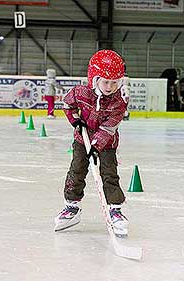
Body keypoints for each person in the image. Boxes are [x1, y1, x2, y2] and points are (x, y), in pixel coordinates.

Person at [54, 50, 129, 237]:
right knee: (77, 170)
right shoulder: (81, 92)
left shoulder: (118, 103)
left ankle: (115, 210)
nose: (110, 86)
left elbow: (109, 128)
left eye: (114, 82)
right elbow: (67, 105)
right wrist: (75, 121)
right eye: (106, 81)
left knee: (109, 174)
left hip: (107, 144)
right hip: (82, 140)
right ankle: (72, 208)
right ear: (94, 78)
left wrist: (96, 146)